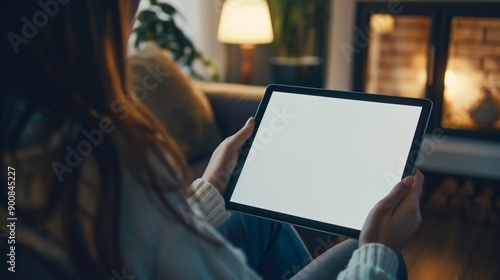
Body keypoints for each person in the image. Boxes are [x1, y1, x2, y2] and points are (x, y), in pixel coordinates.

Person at [0, 1, 422, 279]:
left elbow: (144, 245)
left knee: (258, 211)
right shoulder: (113, 160)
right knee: (378, 253)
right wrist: (378, 253)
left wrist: (211, 185)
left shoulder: (27, 135)